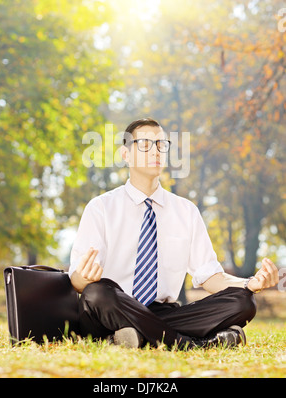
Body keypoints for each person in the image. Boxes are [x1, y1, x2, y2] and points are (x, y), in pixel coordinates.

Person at [69, 118, 279, 349]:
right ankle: (192, 344)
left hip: (163, 310)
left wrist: (250, 283)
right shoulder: (101, 207)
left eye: (161, 144)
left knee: (243, 302)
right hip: (112, 307)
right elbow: (78, 282)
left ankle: (133, 337)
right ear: (125, 154)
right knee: (97, 293)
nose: (156, 151)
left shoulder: (185, 211)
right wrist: (83, 279)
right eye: (145, 144)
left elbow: (209, 276)